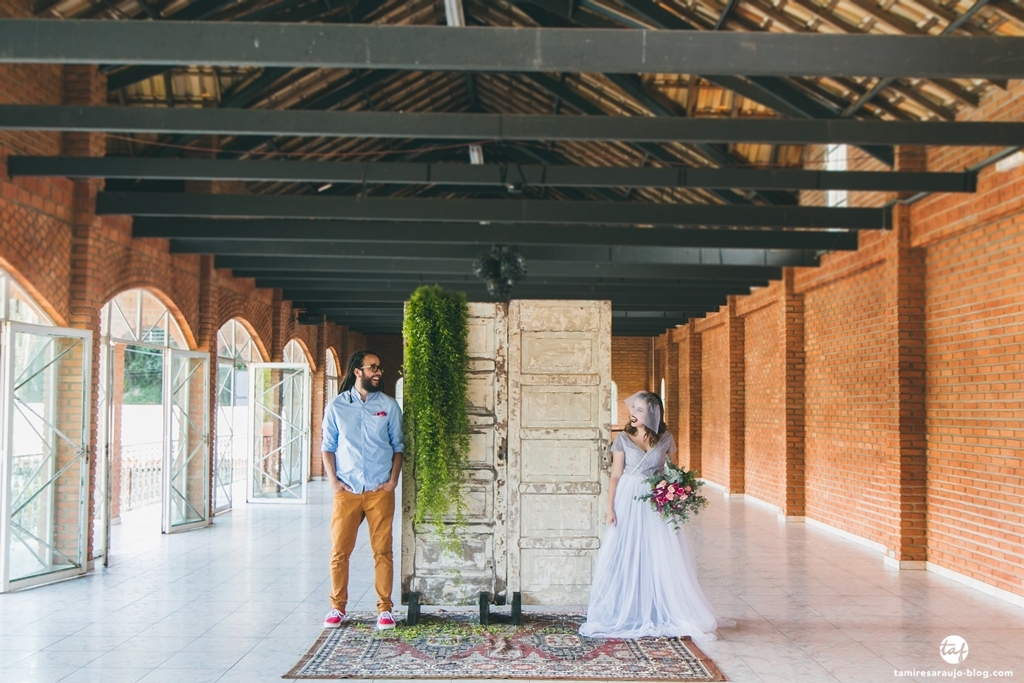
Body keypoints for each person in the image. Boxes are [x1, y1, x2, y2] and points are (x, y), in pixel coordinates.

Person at [579, 391, 732, 641]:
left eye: (639, 410)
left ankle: (659, 608)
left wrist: (678, 492)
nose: (633, 413)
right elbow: (616, 475)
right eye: (633, 409)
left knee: (659, 551)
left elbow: (672, 470)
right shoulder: (623, 439)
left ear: (652, 413)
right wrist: (610, 509)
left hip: (656, 497)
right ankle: (628, 609)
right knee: (628, 551)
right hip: (628, 498)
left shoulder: (666, 439)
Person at [321, 350, 404, 631]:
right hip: (347, 491)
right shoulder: (336, 406)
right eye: (373, 367)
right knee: (339, 552)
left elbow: (398, 447)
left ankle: (384, 610)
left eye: (379, 368)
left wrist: (392, 481)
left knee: (383, 551)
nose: (378, 372)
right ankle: (337, 607)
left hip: (380, 490)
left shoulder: (390, 406)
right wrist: (334, 483)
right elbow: (327, 447)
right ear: (358, 371)